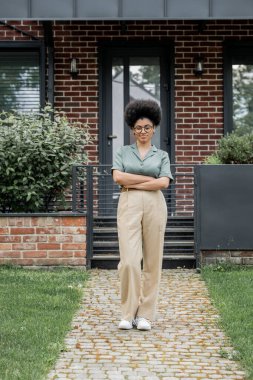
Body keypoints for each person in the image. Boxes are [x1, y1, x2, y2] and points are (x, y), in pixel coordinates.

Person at [111, 99, 173, 331]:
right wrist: (150, 180)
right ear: (132, 129)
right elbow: (118, 178)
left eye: (147, 127)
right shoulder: (123, 152)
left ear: (154, 127)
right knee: (128, 262)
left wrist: (134, 179)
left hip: (155, 206)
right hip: (128, 204)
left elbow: (165, 183)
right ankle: (128, 313)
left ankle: (145, 315)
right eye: (138, 128)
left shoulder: (162, 155)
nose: (143, 131)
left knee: (153, 261)